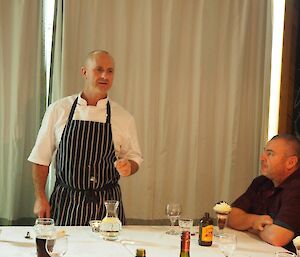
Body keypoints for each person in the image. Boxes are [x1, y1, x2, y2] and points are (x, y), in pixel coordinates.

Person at [28, 50, 143, 226]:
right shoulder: (58, 110)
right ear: (84, 72)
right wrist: (40, 197)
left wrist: (129, 167)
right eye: (99, 69)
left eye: (110, 71)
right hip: (66, 204)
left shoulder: (123, 117)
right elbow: (40, 159)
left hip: (107, 209)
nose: (105, 75)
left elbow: (134, 158)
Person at [227, 134, 300, 252]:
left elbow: (277, 237)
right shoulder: (261, 182)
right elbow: (230, 216)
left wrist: (253, 228)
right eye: (264, 152)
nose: (262, 158)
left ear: (290, 162)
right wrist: (254, 221)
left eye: (270, 154)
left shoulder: (297, 187)